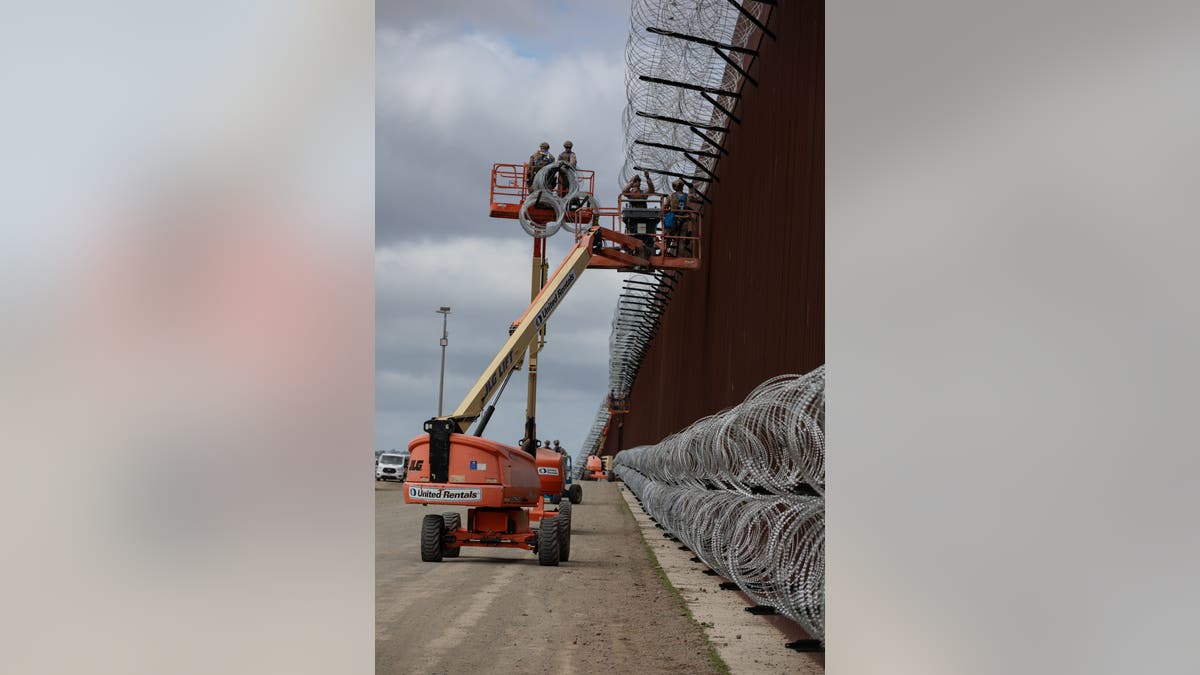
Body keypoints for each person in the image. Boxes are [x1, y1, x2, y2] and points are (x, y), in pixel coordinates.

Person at [621, 170, 657, 256]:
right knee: (632, 234)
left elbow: (652, 190)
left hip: (644, 218)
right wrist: (631, 182)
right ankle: (632, 248)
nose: (638, 182)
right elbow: (624, 192)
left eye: (638, 181)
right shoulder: (631, 193)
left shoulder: (643, 193)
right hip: (633, 218)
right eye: (636, 181)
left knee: (647, 235)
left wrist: (648, 178)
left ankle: (647, 247)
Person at [662, 178, 690, 255]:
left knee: (668, 237)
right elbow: (689, 206)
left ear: (674, 187)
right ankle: (680, 256)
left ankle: (664, 252)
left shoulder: (671, 196)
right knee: (682, 240)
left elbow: (664, 207)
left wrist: (665, 211)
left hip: (673, 219)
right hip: (684, 219)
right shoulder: (687, 197)